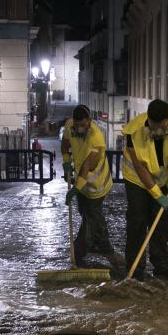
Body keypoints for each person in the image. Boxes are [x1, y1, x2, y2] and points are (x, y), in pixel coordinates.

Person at [121, 99, 168, 279]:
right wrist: (157, 195)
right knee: (137, 220)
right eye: (153, 127)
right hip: (137, 179)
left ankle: (162, 266)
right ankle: (135, 267)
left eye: (160, 127)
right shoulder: (134, 131)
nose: (156, 131)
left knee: (160, 221)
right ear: (148, 119)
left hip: (162, 177)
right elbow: (140, 168)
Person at [62, 105, 119, 267]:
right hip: (81, 178)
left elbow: (88, 165)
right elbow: (65, 142)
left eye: (84, 125)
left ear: (89, 121)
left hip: (97, 183)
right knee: (88, 213)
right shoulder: (69, 125)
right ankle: (103, 243)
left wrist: (75, 189)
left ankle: (79, 251)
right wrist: (66, 160)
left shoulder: (96, 137)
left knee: (89, 216)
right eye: (77, 125)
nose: (80, 128)